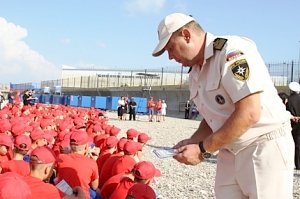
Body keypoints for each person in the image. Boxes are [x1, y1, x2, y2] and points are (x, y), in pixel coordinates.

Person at [152, 13, 294, 199]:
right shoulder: (195, 72)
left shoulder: (231, 51)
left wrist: (203, 149)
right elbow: (213, 116)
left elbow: (250, 112)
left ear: (186, 35)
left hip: (262, 145)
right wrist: (193, 141)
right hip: (229, 148)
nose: (170, 57)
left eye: (171, 48)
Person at [286, 82, 300, 170]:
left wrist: (293, 117)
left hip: (292, 123)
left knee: (294, 144)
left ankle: (297, 164)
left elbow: (286, 111)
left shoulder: (288, 100)